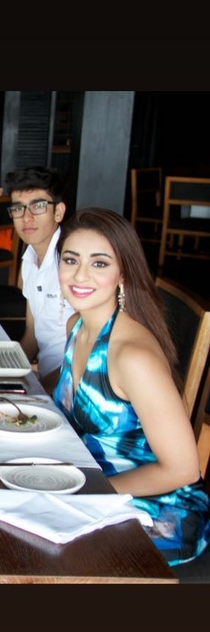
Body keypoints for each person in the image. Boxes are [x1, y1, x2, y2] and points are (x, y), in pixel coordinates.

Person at [53, 208, 210, 566]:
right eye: (71, 260)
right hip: (91, 486)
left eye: (99, 263)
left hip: (159, 513)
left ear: (123, 273)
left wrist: (84, 492)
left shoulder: (132, 357)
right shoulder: (77, 326)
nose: (80, 275)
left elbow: (183, 469)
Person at [5, 165, 74, 394]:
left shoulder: (73, 264)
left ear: (58, 212)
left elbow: (87, 355)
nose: (27, 217)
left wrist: (40, 392)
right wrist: (5, 376)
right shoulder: (30, 259)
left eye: (38, 206)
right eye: (18, 208)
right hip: (44, 380)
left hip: (70, 388)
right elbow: (32, 335)